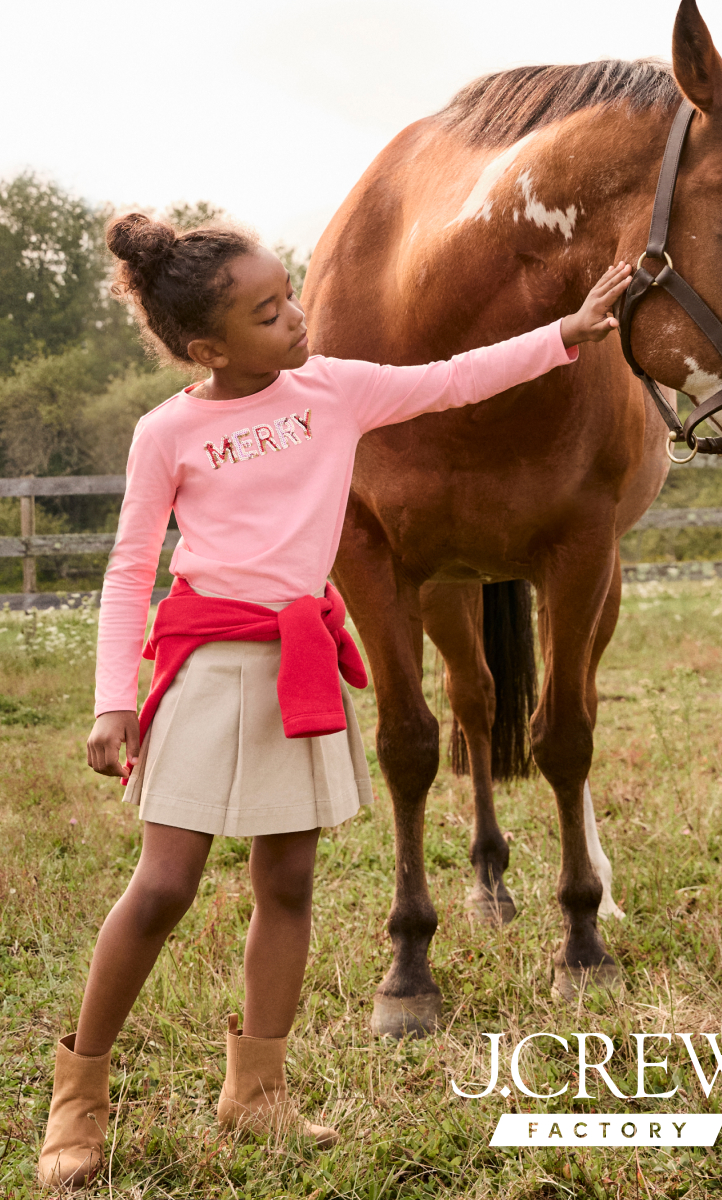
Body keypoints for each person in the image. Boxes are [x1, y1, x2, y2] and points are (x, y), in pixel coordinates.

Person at [37, 211, 632, 1188]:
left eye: (293, 295)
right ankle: (80, 1094)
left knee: (290, 885)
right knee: (165, 886)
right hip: (206, 669)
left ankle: (258, 1092)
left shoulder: (332, 390)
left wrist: (568, 333)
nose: (300, 318)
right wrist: (113, 701)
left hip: (301, 665)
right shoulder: (168, 433)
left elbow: (452, 379)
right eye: (270, 314)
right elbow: (129, 566)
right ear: (207, 348)